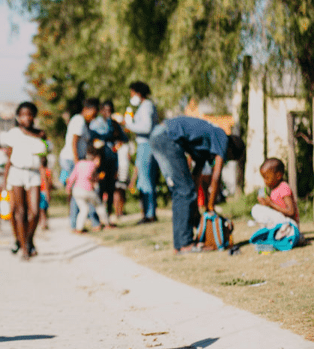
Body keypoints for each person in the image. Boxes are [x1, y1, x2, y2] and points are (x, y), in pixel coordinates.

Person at [150, 116, 245, 253]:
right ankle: (185, 244)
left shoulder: (205, 148)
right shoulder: (222, 137)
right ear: (231, 148)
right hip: (167, 136)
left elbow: (196, 178)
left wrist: (196, 211)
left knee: (181, 191)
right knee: (184, 191)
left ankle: (179, 245)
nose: (225, 159)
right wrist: (210, 206)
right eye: (229, 157)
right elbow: (216, 176)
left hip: (159, 135)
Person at [2, 102, 48, 260]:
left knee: (34, 212)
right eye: (22, 115)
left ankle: (28, 240)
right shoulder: (14, 133)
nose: (26, 118)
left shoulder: (41, 134)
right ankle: (24, 249)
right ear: (18, 117)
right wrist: (4, 181)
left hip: (33, 173)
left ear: (34, 116)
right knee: (19, 212)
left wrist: (46, 182)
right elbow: (9, 159)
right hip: (17, 173)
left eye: (29, 114)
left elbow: (44, 159)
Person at [59, 98, 101, 231]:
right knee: (79, 192)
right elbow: (74, 141)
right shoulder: (79, 120)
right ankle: (75, 225)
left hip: (77, 160)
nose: (94, 117)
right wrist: (78, 163)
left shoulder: (85, 123)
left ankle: (82, 223)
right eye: (93, 113)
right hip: (72, 159)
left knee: (80, 192)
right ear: (86, 109)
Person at [126, 81, 159, 224]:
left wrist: (129, 125)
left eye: (132, 93)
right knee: (146, 180)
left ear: (138, 93)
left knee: (145, 181)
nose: (131, 96)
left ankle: (149, 214)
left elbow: (146, 128)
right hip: (146, 145)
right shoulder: (146, 106)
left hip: (146, 144)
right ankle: (148, 212)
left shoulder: (146, 107)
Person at [90, 100, 128, 220]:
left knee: (111, 188)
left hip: (112, 159)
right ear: (101, 111)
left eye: (110, 110)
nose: (108, 113)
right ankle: (98, 217)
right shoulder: (96, 123)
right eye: (105, 110)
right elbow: (93, 138)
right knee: (100, 188)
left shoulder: (115, 123)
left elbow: (123, 138)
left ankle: (109, 215)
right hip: (101, 160)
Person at [251, 158, 301, 241]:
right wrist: (266, 204)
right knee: (257, 210)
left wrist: (270, 204)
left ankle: (287, 233)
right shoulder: (274, 190)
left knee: (256, 209)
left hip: (291, 224)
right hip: (282, 223)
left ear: (278, 175)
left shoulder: (284, 187)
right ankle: (273, 233)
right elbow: (277, 211)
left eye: (267, 178)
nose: (265, 181)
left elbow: (291, 211)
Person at [65, 144, 111, 233]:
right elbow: (92, 178)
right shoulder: (92, 165)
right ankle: (107, 223)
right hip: (87, 189)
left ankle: (79, 228)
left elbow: (72, 177)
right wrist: (97, 178)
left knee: (83, 209)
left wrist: (68, 188)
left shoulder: (79, 164)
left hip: (77, 190)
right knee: (99, 205)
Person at [38, 155, 54, 231]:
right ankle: (44, 223)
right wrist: (48, 193)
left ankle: (43, 223)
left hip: (40, 191)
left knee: (41, 209)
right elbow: (49, 183)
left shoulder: (39, 170)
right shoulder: (48, 171)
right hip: (44, 191)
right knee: (44, 210)